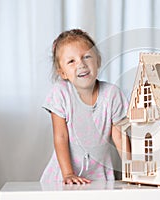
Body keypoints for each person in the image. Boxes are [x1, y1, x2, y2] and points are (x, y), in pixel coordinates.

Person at [40, 29, 130, 185]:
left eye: (87, 56)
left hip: (100, 178)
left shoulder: (112, 94)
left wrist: (132, 171)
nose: (81, 64)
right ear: (63, 73)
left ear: (98, 61)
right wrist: (68, 173)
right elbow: (60, 137)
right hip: (63, 176)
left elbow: (120, 136)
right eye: (71, 61)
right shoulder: (61, 93)